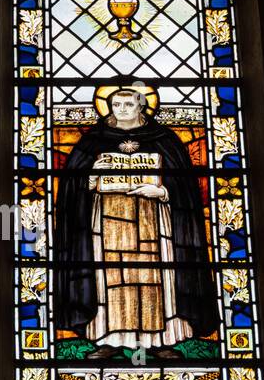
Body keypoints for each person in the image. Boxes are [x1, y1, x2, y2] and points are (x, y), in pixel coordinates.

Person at [54, 85, 217, 359]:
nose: (122, 110)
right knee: (110, 277)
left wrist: (163, 192)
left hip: (154, 220)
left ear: (142, 106)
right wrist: (92, 176)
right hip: (105, 225)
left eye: (128, 105)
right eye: (116, 105)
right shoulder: (93, 141)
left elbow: (186, 186)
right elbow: (71, 186)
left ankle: (161, 340)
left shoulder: (164, 139)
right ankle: (109, 338)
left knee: (155, 275)